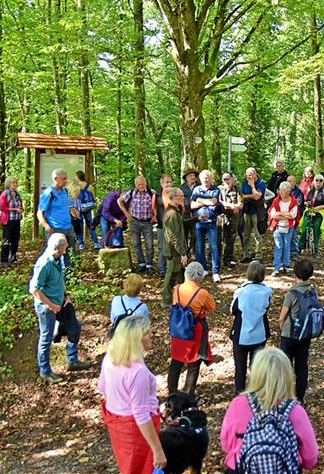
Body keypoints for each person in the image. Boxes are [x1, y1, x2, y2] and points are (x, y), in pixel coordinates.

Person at [220, 347, 319, 474]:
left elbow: (226, 445)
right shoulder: (295, 411)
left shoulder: (237, 404)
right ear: (287, 376)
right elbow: (310, 459)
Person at [99, 315, 167, 473]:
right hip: (136, 433)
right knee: (141, 468)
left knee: (127, 467)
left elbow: (102, 389)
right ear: (136, 339)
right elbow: (141, 415)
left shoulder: (110, 357)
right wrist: (157, 449)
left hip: (118, 428)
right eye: (147, 333)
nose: (152, 335)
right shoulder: (138, 372)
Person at [29, 233, 91, 383]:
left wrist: (66, 295)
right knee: (46, 338)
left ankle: (72, 360)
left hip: (61, 303)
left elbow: (59, 279)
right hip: (47, 307)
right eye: (65, 246)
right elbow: (34, 289)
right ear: (58, 248)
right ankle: (45, 371)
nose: (67, 248)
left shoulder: (58, 259)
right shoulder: (44, 263)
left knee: (74, 326)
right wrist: (51, 306)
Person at [168, 262, 215, 397]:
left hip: (178, 328)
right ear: (200, 276)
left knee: (176, 360)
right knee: (194, 361)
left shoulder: (177, 289)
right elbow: (212, 307)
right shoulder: (202, 293)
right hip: (195, 329)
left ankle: (172, 392)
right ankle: (188, 393)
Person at [230, 261, 273, 394]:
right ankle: (256, 392)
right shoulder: (267, 291)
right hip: (259, 333)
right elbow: (266, 307)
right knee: (256, 366)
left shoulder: (241, 292)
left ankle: (239, 393)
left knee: (240, 367)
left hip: (241, 334)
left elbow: (233, 309)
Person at [278, 259, 317, 403]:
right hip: (305, 333)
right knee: (302, 365)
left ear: (295, 274)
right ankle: (300, 396)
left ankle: (286, 396)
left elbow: (282, 317)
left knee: (286, 365)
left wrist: (282, 329)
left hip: (289, 334)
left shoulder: (292, 294)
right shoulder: (312, 291)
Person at [37, 168, 78, 267]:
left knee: (71, 254)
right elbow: (39, 213)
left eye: (66, 179)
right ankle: (53, 278)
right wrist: (46, 226)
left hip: (68, 227)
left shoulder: (65, 191)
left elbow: (68, 206)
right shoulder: (49, 193)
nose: (66, 181)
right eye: (64, 179)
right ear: (56, 178)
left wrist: (74, 212)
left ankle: (68, 278)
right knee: (55, 256)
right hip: (55, 228)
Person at [118, 176, 158, 275]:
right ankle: (141, 263)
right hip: (135, 221)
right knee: (136, 244)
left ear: (146, 183)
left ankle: (149, 264)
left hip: (147, 222)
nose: (141, 186)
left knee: (149, 244)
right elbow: (119, 201)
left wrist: (155, 216)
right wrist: (126, 213)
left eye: (142, 184)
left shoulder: (151, 193)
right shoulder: (131, 193)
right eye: (139, 184)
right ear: (135, 184)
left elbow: (157, 205)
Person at [190, 170, 222, 283]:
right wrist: (205, 201)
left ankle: (215, 272)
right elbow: (192, 205)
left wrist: (199, 199)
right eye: (203, 178)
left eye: (207, 177)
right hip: (198, 223)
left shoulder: (215, 189)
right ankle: (203, 269)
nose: (205, 180)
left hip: (211, 222)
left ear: (211, 178)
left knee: (214, 247)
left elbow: (213, 202)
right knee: (199, 247)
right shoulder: (196, 189)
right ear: (200, 179)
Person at [162, 188, 189, 306]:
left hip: (174, 249)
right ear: (174, 197)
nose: (183, 198)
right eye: (180, 196)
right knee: (171, 275)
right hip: (173, 251)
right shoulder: (172, 214)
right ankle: (166, 301)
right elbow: (174, 236)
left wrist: (197, 218)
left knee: (177, 273)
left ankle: (180, 297)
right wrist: (183, 253)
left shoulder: (174, 211)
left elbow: (181, 225)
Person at [268, 181, 299, 276]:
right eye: (280, 190)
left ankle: (286, 265)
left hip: (289, 227)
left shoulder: (293, 201)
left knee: (287, 246)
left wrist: (280, 213)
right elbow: (273, 215)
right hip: (278, 227)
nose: (280, 193)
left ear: (288, 191)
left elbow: (293, 215)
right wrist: (286, 215)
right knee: (278, 246)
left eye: (283, 191)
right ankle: (276, 267)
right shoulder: (276, 201)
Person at [299, 174, 324, 258]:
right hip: (309, 212)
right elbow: (304, 201)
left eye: (320, 181)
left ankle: (315, 250)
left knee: (316, 231)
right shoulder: (310, 190)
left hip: (318, 214)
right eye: (317, 180)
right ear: (314, 181)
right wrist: (307, 203)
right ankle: (300, 247)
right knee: (305, 230)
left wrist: (319, 207)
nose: (318, 182)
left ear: (323, 182)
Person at [240, 167, 267, 263]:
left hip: (257, 211)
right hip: (246, 211)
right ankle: (247, 254)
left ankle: (258, 255)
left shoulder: (261, 183)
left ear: (255, 174)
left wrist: (252, 186)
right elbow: (241, 196)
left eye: (250, 175)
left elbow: (257, 197)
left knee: (257, 234)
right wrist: (250, 196)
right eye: (247, 175)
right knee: (246, 234)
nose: (248, 177)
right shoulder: (244, 183)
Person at [0, 176, 24, 267]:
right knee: (7, 240)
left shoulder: (17, 194)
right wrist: (14, 209)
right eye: (13, 183)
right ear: (9, 184)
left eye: (16, 183)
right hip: (8, 220)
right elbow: (2, 207)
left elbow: (20, 206)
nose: (15, 184)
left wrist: (21, 209)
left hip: (17, 220)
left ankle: (12, 257)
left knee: (15, 239)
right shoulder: (5, 194)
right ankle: (4, 260)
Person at [218, 172, 242, 269]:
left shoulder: (237, 189)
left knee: (230, 239)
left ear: (232, 179)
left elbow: (241, 204)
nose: (226, 181)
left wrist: (234, 206)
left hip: (233, 218)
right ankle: (216, 260)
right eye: (224, 179)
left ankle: (228, 260)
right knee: (219, 239)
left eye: (228, 179)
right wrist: (231, 205)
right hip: (221, 217)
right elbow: (218, 202)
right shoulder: (219, 189)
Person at [74, 170, 99, 250]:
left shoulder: (75, 186)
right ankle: (95, 243)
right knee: (91, 226)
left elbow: (72, 197)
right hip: (87, 208)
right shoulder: (89, 186)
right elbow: (94, 198)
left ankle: (81, 243)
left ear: (77, 177)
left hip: (78, 208)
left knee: (79, 226)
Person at [155, 174, 174, 278]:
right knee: (162, 248)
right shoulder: (157, 195)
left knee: (173, 248)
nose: (169, 184)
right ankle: (163, 269)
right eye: (167, 182)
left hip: (173, 226)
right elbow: (154, 209)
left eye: (170, 182)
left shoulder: (175, 194)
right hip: (161, 226)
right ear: (161, 183)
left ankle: (172, 269)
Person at [180, 168, 200, 254]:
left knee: (195, 235)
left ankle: (193, 250)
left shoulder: (199, 186)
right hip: (185, 214)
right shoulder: (181, 187)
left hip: (197, 214)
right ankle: (185, 253)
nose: (192, 177)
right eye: (190, 176)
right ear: (186, 178)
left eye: (193, 175)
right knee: (184, 235)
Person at [288, 174, 305, 260]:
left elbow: (299, 206)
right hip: (284, 218)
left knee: (294, 236)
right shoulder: (283, 191)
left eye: (291, 181)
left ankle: (294, 253)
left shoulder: (298, 193)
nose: (290, 183)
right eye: (288, 181)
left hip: (295, 217)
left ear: (295, 182)